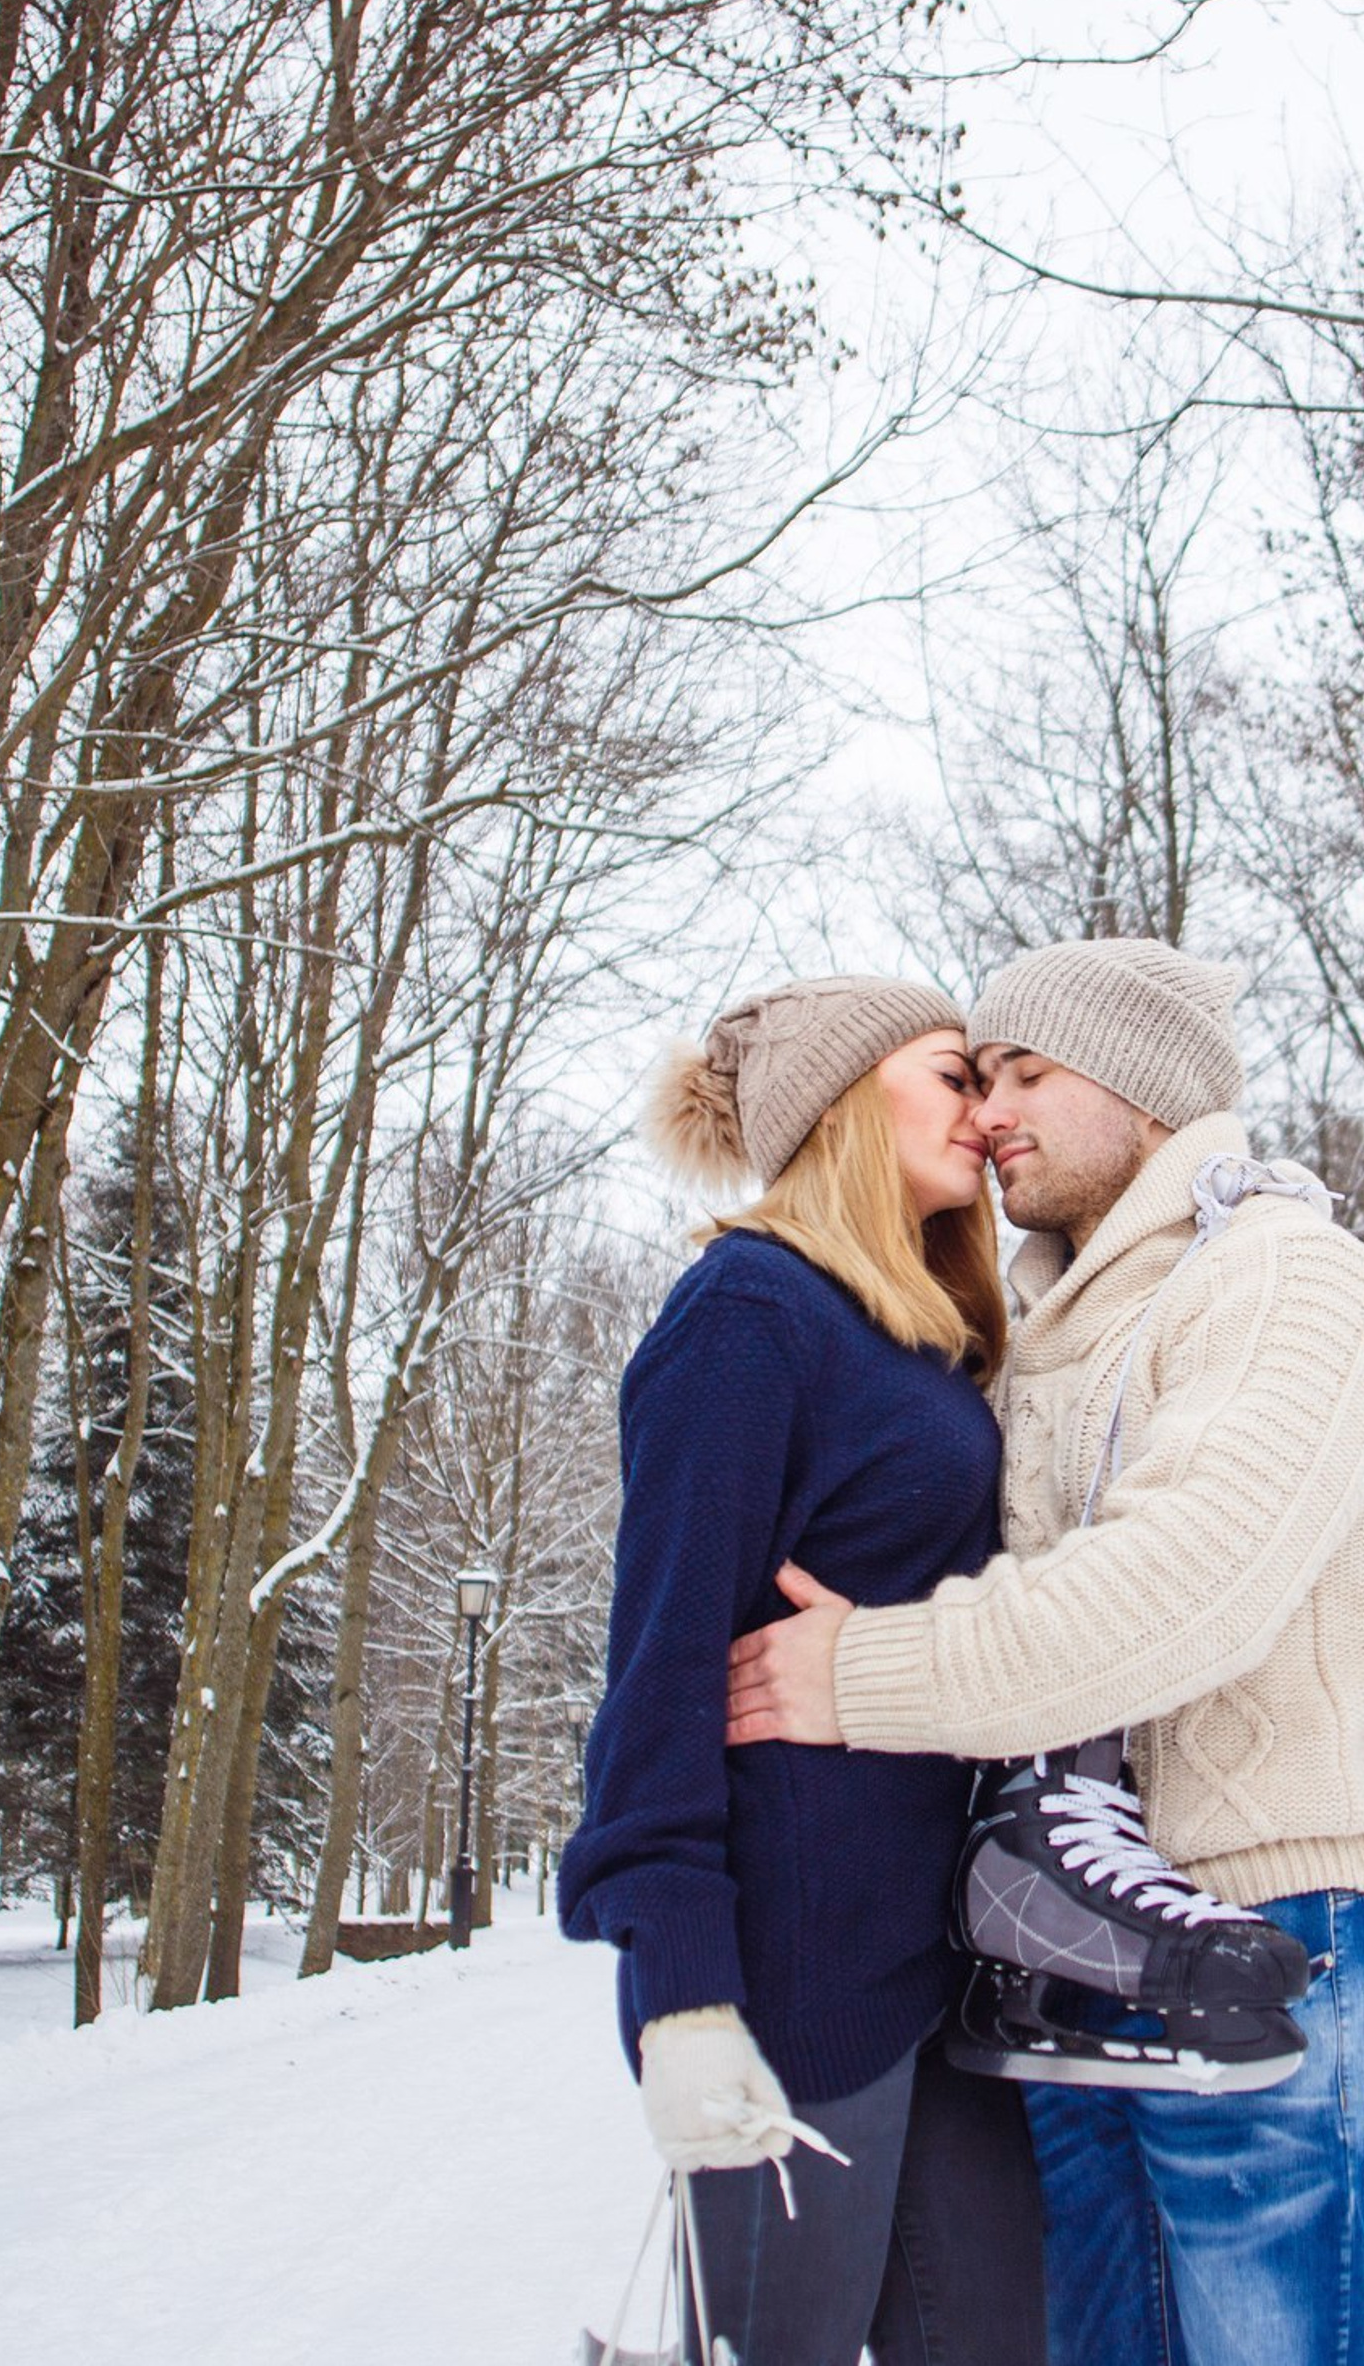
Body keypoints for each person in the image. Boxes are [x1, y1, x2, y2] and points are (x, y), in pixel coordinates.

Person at [726, 937, 1364, 2366]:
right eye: (976, 1079)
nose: (988, 1114)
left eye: (1026, 1074)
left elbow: (1186, 1589)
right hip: (1066, 1951)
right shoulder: (1043, 1328)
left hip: (1265, 1930)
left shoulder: (1293, 1281)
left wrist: (863, 1676)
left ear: (1145, 1090)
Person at [557, 975, 1046, 2366]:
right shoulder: (746, 1313)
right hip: (791, 1974)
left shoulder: (916, 1338)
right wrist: (684, 1999)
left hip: (940, 1959)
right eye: (955, 1073)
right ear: (845, 1095)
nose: (988, 1108)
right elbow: (658, 1668)